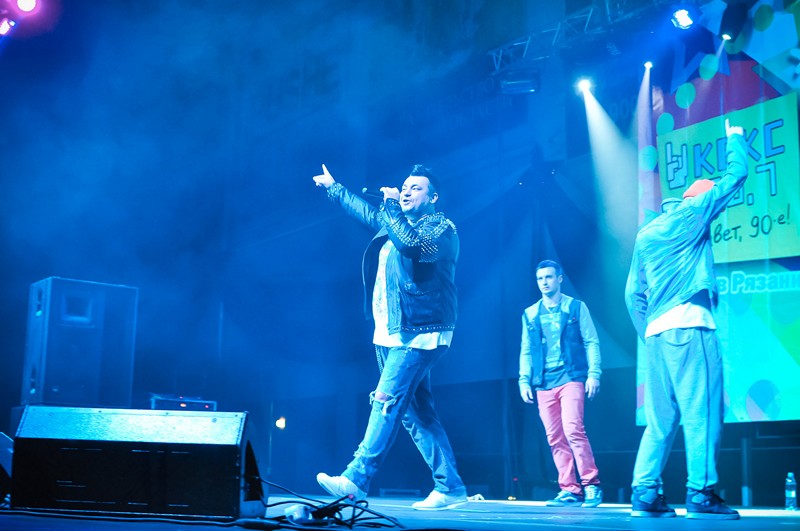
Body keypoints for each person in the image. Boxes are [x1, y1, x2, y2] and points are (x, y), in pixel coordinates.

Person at [312, 163, 468, 511]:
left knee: (385, 401)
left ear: (433, 197)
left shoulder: (440, 227)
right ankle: (450, 486)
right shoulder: (395, 223)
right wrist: (335, 188)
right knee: (417, 414)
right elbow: (367, 213)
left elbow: (412, 247)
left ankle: (356, 479)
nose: (407, 191)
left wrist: (393, 206)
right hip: (391, 331)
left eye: (416, 188)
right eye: (405, 186)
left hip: (421, 331)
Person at [624, 119, 746, 520]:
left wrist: (648, 332)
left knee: (660, 420)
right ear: (701, 197)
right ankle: (701, 493)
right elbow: (737, 175)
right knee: (702, 412)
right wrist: (735, 138)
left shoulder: (647, 233)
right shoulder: (695, 211)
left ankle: (645, 492)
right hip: (691, 326)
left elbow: (631, 294)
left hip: (656, 336)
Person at [518, 259, 603, 508]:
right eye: (540, 278)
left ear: (559, 279)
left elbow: (591, 341)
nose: (544, 282)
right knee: (554, 437)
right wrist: (524, 379)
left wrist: (594, 374)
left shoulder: (576, 307)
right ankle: (569, 488)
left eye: (548, 277)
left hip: (571, 376)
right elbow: (526, 349)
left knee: (573, 429)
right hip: (543, 382)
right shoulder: (530, 313)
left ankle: (591, 484)